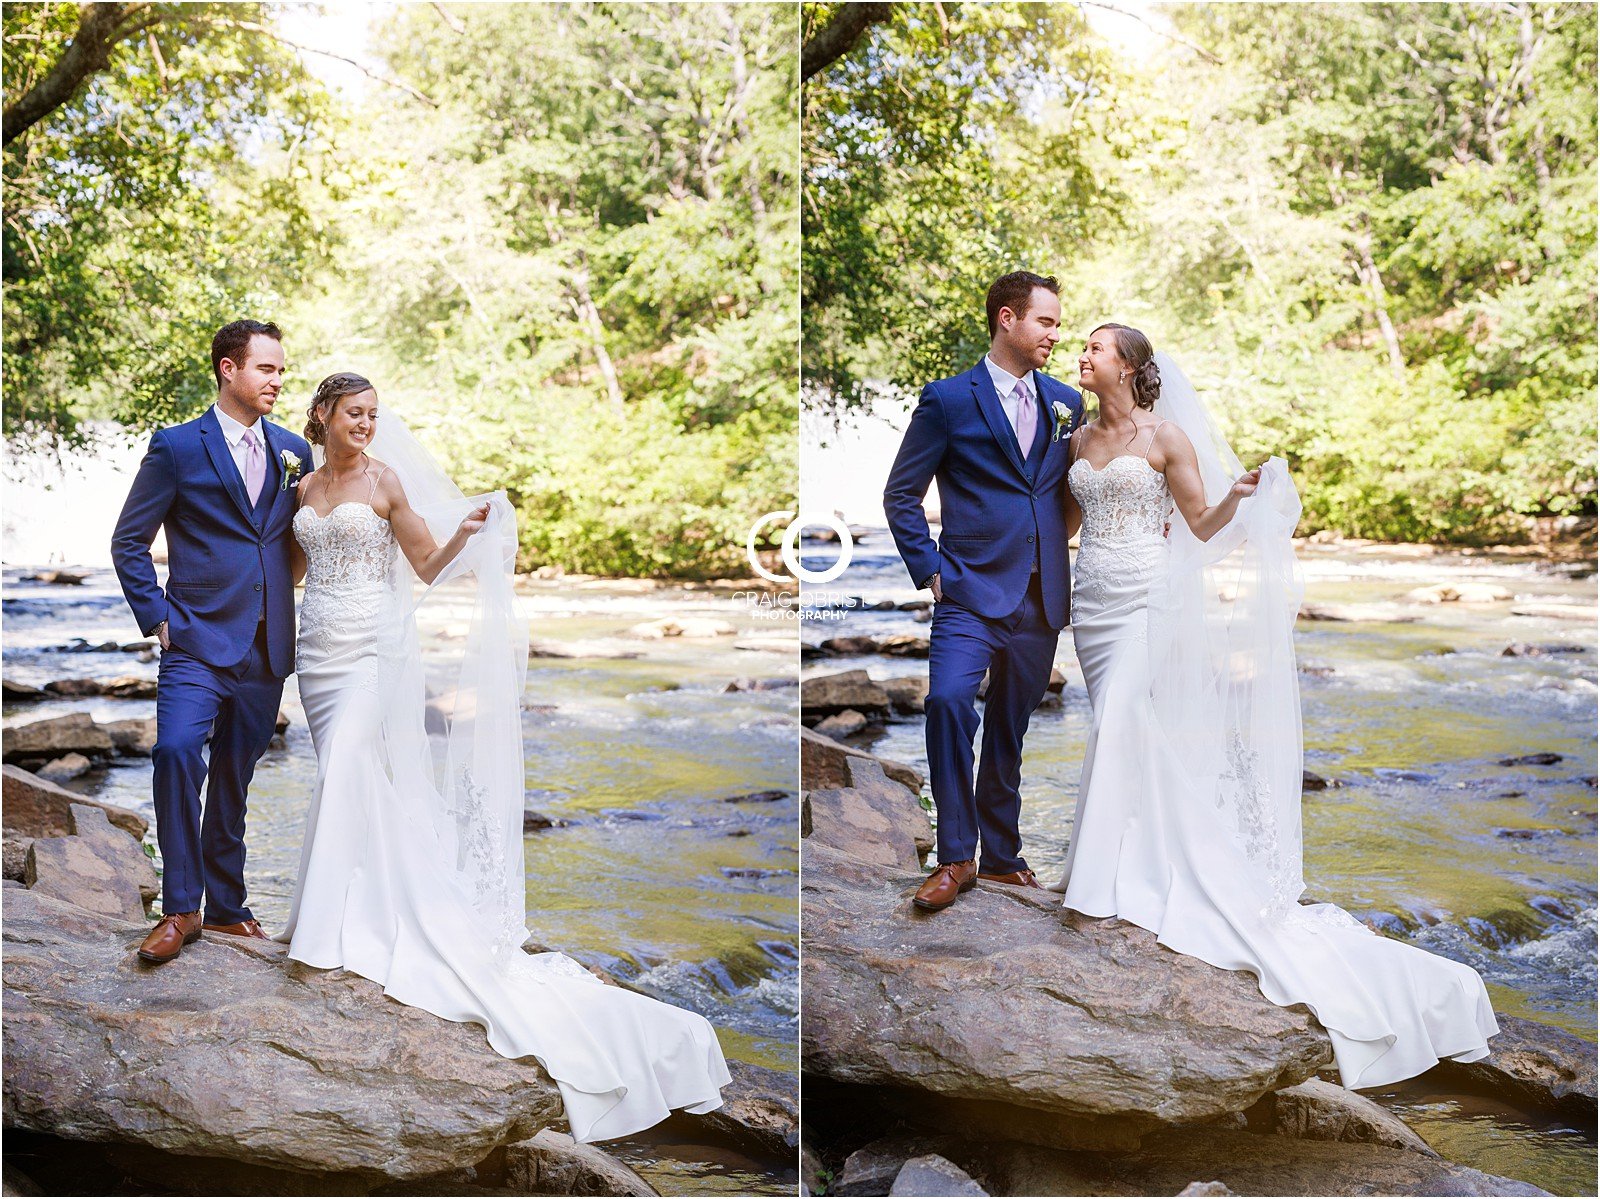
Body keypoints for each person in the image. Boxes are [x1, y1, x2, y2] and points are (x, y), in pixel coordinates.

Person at [279, 372, 731, 1141]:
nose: (366, 425)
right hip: (316, 652)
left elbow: (423, 566)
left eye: (374, 415)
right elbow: (293, 571)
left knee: (351, 766)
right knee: (347, 777)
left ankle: (323, 934)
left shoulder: (384, 480)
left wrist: (466, 534)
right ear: (322, 416)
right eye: (354, 414)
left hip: (369, 653)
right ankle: (356, 911)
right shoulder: (301, 486)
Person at [1050, 323, 1498, 1088]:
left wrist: (1239, 497)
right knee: (1118, 724)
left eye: (1093, 349)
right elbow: (1063, 526)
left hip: (1147, 600)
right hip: (1091, 601)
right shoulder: (1075, 438)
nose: (1080, 357)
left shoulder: (1167, 438)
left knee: (1124, 712)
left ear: (1126, 365)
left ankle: (1099, 879)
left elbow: (1201, 525)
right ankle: (1128, 862)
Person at [883, 271, 1087, 911]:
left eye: (1057, 322)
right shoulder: (947, 400)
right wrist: (930, 568)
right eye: (1046, 322)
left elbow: (1064, 493)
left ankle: (1001, 857)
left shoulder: (1066, 404)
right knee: (947, 702)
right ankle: (955, 857)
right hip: (967, 588)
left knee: (1010, 726)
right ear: (1007, 319)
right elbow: (901, 495)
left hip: (1041, 594)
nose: (1056, 333)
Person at [111, 320, 312, 963]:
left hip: (265, 644)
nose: (278, 380)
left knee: (235, 774)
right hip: (194, 637)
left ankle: (227, 907)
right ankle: (180, 908)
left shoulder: (292, 453)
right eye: (266, 369)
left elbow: (284, 545)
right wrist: (160, 619)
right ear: (229, 369)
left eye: (281, 369)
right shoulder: (175, 447)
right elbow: (129, 542)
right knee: (174, 752)